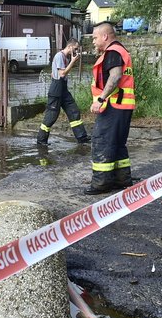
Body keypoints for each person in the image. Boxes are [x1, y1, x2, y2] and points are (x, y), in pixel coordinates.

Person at [85, 22, 136, 194]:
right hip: (123, 105)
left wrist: (100, 99)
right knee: (118, 144)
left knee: (102, 142)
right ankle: (122, 179)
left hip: (113, 105)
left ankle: (101, 183)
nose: (93, 41)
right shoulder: (120, 50)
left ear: (105, 36)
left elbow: (115, 77)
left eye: (94, 37)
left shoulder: (113, 52)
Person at [36, 38, 90, 145]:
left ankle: (82, 137)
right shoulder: (59, 56)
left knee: (73, 111)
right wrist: (73, 62)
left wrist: (70, 62)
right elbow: (62, 74)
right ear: (69, 46)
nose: (75, 51)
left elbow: (54, 73)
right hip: (56, 90)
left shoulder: (65, 58)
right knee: (51, 116)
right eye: (75, 48)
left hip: (63, 90)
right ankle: (41, 140)